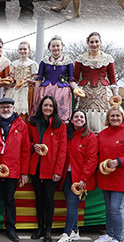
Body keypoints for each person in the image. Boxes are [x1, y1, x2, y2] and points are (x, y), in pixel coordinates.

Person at [0, 96, 30, 242]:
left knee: (10, 200)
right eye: (3, 107)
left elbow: (25, 150)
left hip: (13, 168)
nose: (6, 109)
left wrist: (24, 172)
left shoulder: (21, 124)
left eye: (8, 107)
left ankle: (11, 228)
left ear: (13, 108)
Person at [28, 95, 67, 242]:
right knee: (39, 199)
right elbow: (27, 142)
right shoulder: (33, 122)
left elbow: (62, 150)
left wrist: (58, 171)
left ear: (54, 108)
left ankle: (49, 231)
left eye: (51, 106)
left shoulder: (60, 124)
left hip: (51, 169)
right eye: (45, 105)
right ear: (41, 106)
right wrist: (33, 146)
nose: (48, 108)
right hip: (36, 167)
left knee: (49, 200)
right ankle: (40, 229)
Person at [61, 108, 97, 242]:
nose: (79, 119)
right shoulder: (68, 134)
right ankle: (75, 231)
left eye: (82, 117)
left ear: (85, 121)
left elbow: (92, 160)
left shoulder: (90, 137)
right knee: (72, 205)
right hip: (67, 176)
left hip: (80, 178)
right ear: (71, 120)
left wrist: (84, 178)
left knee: (71, 205)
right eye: (76, 117)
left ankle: (67, 233)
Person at [73, 32, 118, 133]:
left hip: (103, 92)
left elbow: (112, 79)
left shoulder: (108, 58)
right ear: (88, 43)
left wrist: (115, 94)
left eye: (96, 41)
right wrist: (75, 92)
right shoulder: (81, 58)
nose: (94, 44)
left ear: (100, 42)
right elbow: (75, 79)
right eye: (91, 42)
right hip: (85, 92)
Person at [96, 104, 124, 242]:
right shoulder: (102, 133)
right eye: (112, 115)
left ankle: (118, 237)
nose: (115, 118)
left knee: (115, 209)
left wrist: (119, 161)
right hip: (105, 177)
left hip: (120, 177)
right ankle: (109, 234)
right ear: (108, 118)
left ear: (122, 117)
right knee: (108, 208)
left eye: (118, 115)